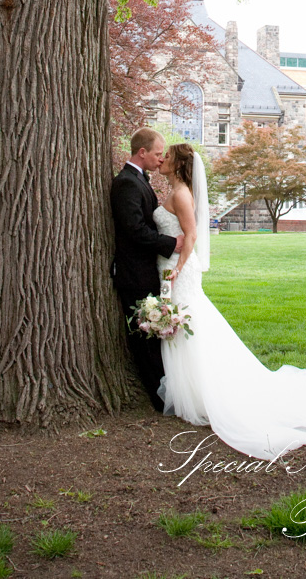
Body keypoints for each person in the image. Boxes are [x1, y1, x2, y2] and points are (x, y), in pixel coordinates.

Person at [155, 142, 306, 460]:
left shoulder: (183, 194)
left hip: (179, 272)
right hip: (169, 268)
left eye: (168, 157)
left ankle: (204, 393)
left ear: (179, 164)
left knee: (190, 324)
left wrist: (179, 270)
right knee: (186, 325)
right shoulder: (173, 191)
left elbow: (192, 236)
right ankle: (192, 390)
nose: (162, 159)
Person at [111, 127, 182, 411]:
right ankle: (159, 397)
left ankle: (163, 392)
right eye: (156, 153)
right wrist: (170, 243)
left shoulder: (140, 178)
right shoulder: (127, 182)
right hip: (134, 273)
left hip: (146, 270)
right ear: (142, 153)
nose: (160, 158)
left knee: (153, 335)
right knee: (144, 338)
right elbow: (134, 230)